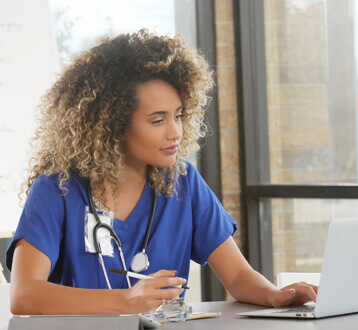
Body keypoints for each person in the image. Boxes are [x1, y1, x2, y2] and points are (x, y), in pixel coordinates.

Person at [6, 29, 317, 315]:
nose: (175, 133)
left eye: (178, 116)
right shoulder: (57, 189)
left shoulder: (182, 182)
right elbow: (24, 295)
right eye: (158, 120)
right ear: (112, 126)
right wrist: (127, 301)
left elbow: (236, 276)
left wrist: (276, 295)